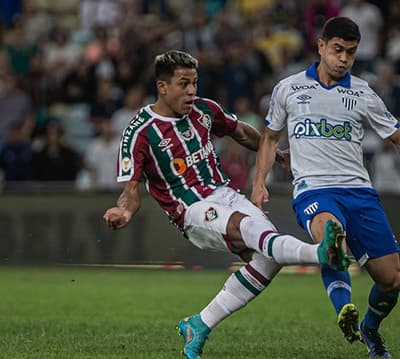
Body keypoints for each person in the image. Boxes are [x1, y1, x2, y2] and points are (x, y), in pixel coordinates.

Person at [102, 50, 349, 359]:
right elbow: (132, 189)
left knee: (268, 256)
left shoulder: (204, 110)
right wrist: (124, 210)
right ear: (163, 87)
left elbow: (242, 132)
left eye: (194, 82)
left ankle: (199, 323)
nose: (191, 91)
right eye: (183, 84)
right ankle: (321, 253)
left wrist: (276, 152)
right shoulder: (140, 132)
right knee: (247, 230)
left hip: (226, 195)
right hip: (191, 210)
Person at [251, 17, 400, 358]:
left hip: (360, 192)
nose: (343, 59)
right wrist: (259, 185)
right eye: (338, 50)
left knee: (391, 281)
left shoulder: (362, 93)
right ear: (321, 47)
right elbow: (269, 139)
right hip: (314, 190)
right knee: (332, 235)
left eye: (351, 53)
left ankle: (370, 328)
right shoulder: (289, 89)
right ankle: (345, 309)